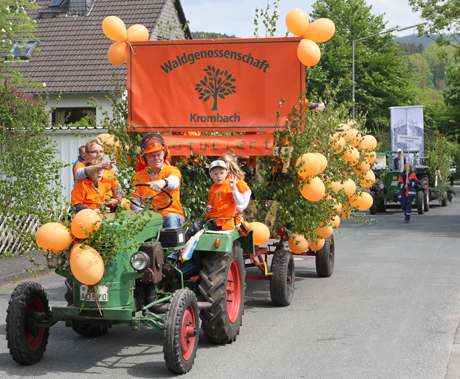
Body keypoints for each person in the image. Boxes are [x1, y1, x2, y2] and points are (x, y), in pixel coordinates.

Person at [131, 135, 185, 228]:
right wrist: (142, 214)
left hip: (171, 214)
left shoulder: (171, 170)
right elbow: (134, 200)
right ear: (145, 159)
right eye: (152, 156)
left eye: (158, 154)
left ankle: (171, 242)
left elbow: (174, 182)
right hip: (150, 217)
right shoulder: (138, 176)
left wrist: (163, 182)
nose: (156, 158)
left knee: (170, 218)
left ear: (164, 154)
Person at [205, 159, 251, 230]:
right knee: (196, 228)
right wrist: (208, 208)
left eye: (221, 173)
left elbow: (246, 194)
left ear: (226, 173)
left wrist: (234, 189)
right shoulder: (212, 188)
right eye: (215, 174)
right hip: (213, 221)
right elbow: (211, 205)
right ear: (211, 175)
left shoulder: (233, 182)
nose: (219, 176)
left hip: (228, 221)